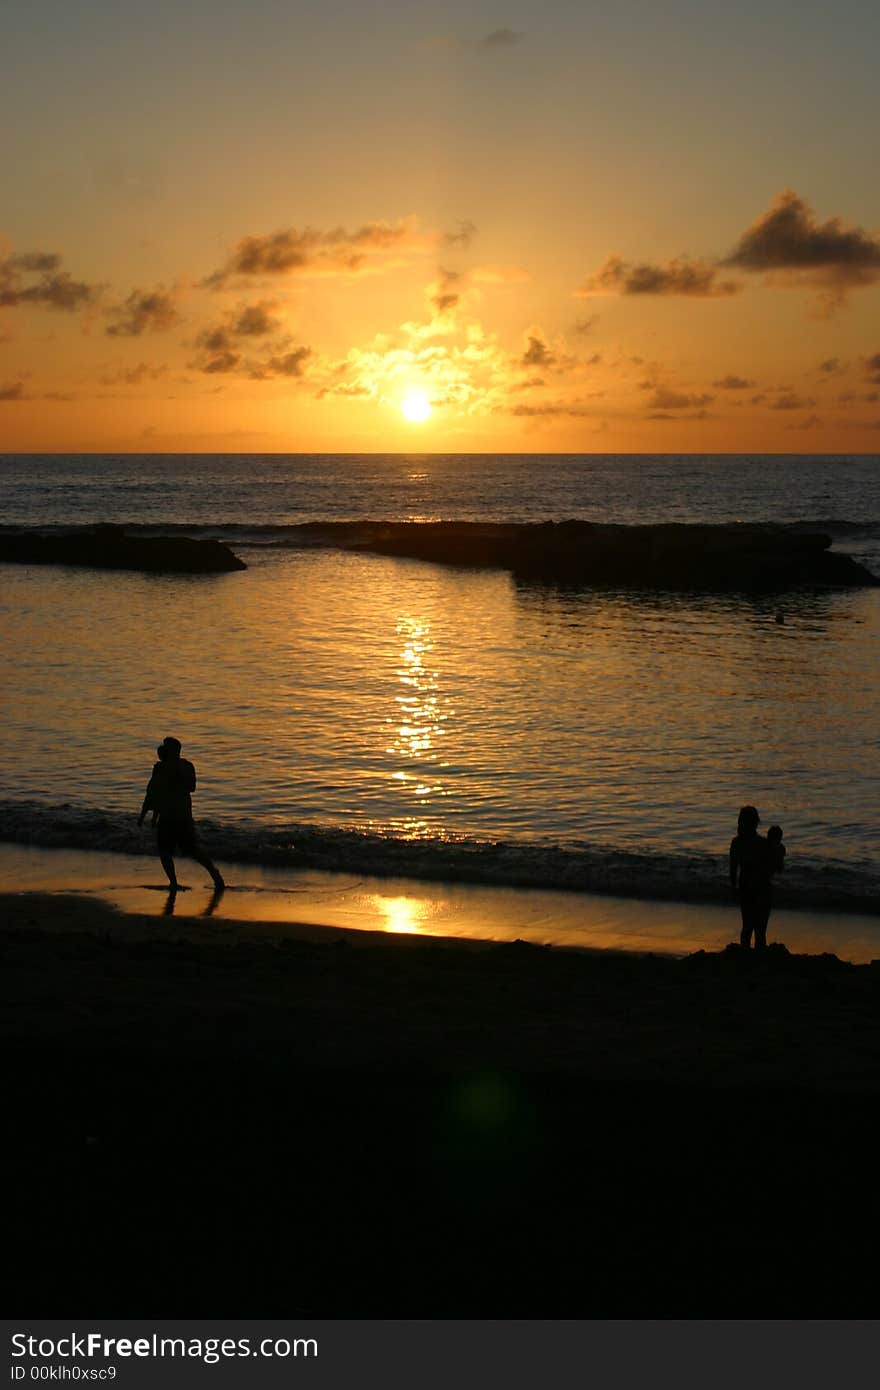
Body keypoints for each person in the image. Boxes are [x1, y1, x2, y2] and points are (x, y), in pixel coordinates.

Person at [138, 736, 224, 893]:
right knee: (164, 851)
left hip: (182, 815)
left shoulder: (186, 766)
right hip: (166, 816)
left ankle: (214, 873)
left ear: (175, 750)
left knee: (192, 849)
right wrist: (148, 815)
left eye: (167, 747)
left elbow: (192, 787)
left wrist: (177, 777)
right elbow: (153, 792)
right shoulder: (159, 768)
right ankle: (173, 883)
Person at [729, 805, 782, 950]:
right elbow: (775, 869)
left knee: (748, 928)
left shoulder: (737, 843)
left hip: (747, 887)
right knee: (758, 931)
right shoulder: (763, 844)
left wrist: (733, 889)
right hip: (760, 888)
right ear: (756, 823)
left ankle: (746, 959)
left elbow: (733, 869)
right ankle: (757, 962)